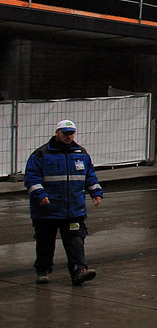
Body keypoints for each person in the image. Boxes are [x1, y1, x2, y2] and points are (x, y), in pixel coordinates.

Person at [24, 119, 104, 285]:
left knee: (75, 240)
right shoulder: (41, 154)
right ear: (57, 133)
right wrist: (40, 195)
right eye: (65, 133)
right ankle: (43, 270)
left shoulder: (81, 154)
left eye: (71, 133)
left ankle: (79, 270)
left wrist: (96, 193)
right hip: (47, 210)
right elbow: (31, 178)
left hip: (73, 210)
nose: (69, 136)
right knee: (45, 242)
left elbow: (90, 176)